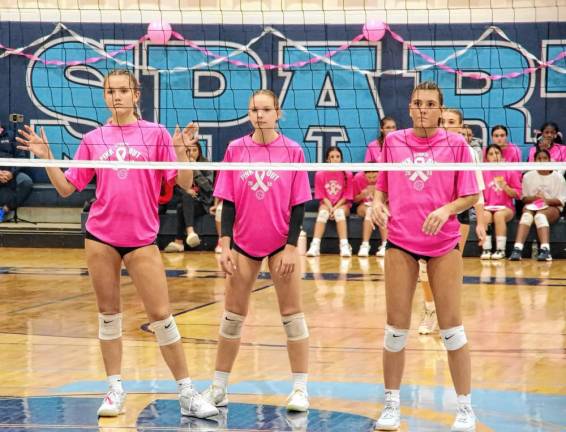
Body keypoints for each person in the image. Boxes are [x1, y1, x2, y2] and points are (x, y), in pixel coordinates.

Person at [16, 69, 218, 419]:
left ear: (136, 94)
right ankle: (114, 389)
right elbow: (66, 189)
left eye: (124, 90)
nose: (117, 96)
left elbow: (185, 183)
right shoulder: (94, 138)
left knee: (161, 316)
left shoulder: (155, 134)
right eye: (111, 91)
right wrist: (46, 154)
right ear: (105, 96)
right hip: (101, 237)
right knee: (108, 315)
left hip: (141, 238)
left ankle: (187, 392)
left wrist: (183, 152)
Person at [371, 81, 480, 432]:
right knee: (395, 330)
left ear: (440, 109)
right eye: (417, 103)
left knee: (452, 330)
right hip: (401, 239)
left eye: (430, 104)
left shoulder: (457, 143)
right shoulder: (394, 142)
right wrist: (375, 204)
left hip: (443, 241)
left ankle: (464, 408)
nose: (423, 109)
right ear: (409, 107)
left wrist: (446, 209)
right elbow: (382, 186)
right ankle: (391, 405)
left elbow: (471, 196)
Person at [201, 89, 312, 413]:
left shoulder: (293, 151)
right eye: (254, 109)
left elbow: (299, 205)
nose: (260, 115)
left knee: (292, 316)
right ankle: (219, 387)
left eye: (266, 109)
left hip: (281, 244)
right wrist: (225, 244)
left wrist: (292, 248)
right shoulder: (236, 150)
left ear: (278, 113)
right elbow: (228, 202)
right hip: (243, 244)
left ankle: (300, 389)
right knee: (232, 317)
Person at [417, 109, 486, 336]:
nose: (446, 125)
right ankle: (430, 310)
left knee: (449, 269)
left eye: (451, 122)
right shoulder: (427, 147)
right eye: (443, 121)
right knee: (423, 267)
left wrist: (481, 223)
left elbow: (477, 192)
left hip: (459, 213)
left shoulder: (467, 151)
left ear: (460, 126)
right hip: (430, 212)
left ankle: (448, 314)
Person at [509, 148, 566, 261]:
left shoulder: (559, 178)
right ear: (534, 161)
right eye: (539, 158)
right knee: (526, 215)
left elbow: (561, 201)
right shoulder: (527, 176)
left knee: (540, 216)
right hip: (533, 205)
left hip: (552, 207)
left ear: (549, 161)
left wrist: (546, 201)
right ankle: (517, 249)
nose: (542, 161)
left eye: (545, 158)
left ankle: (545, 250)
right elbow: (524, 198)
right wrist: (536, 198)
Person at [164, 139, 214, 252]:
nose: (191, 153)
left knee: (181, 207)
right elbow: (176, 187)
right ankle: (190, 233)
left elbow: (208, 188)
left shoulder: (206, 164)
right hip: (187, 200)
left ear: (199, 151)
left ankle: (179, 241)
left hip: (203, 202)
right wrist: (187, 189)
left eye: (194, 150)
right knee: (183, 201)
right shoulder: (181, 165)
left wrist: (195, 169)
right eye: (188, 150)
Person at [306, 146, 353, 257]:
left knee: (339, 213)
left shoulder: (347, 174)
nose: (335, 159)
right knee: (323, 213)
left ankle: (344, 246)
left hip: (342, 204)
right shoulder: (320, 174)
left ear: (341, 158)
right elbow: (322, 196)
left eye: (337, 156)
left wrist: (335, 207)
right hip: (326, 203)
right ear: (327, 159)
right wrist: (330, 207)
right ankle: (315, 246)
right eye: (332, 157)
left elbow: (347, 196)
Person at [480, 144, 522, 260]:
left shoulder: (509, 171)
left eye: (497, 153)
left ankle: (500, 250)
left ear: (501, 155)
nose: (495, 156)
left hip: (506, 208)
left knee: (499, 215)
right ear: (487, 158)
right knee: (484, 215)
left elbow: (518, 194)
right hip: (488, 207)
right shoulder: (483, 172)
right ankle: (486, 249)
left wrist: (505, 187)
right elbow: (478, 194)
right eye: (491, 154)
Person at [0, 124, 33, 222]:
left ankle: (4, 210)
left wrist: (11, 173)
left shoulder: (11, 135)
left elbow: (21, 157)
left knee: (26, 181)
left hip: (11, 174)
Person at [353, 171, 387, 257]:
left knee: (380, 212)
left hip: (381, 206)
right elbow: (354, 200)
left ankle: (385, 244)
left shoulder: (385, 179)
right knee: (369, 211)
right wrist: (362, 195)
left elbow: (389, 200)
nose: (372, 180)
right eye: (369, 178)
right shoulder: (358, 178)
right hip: (363, 206)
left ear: (379, 174)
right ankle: (365, 245)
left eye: (374, 177)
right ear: (364, 175)